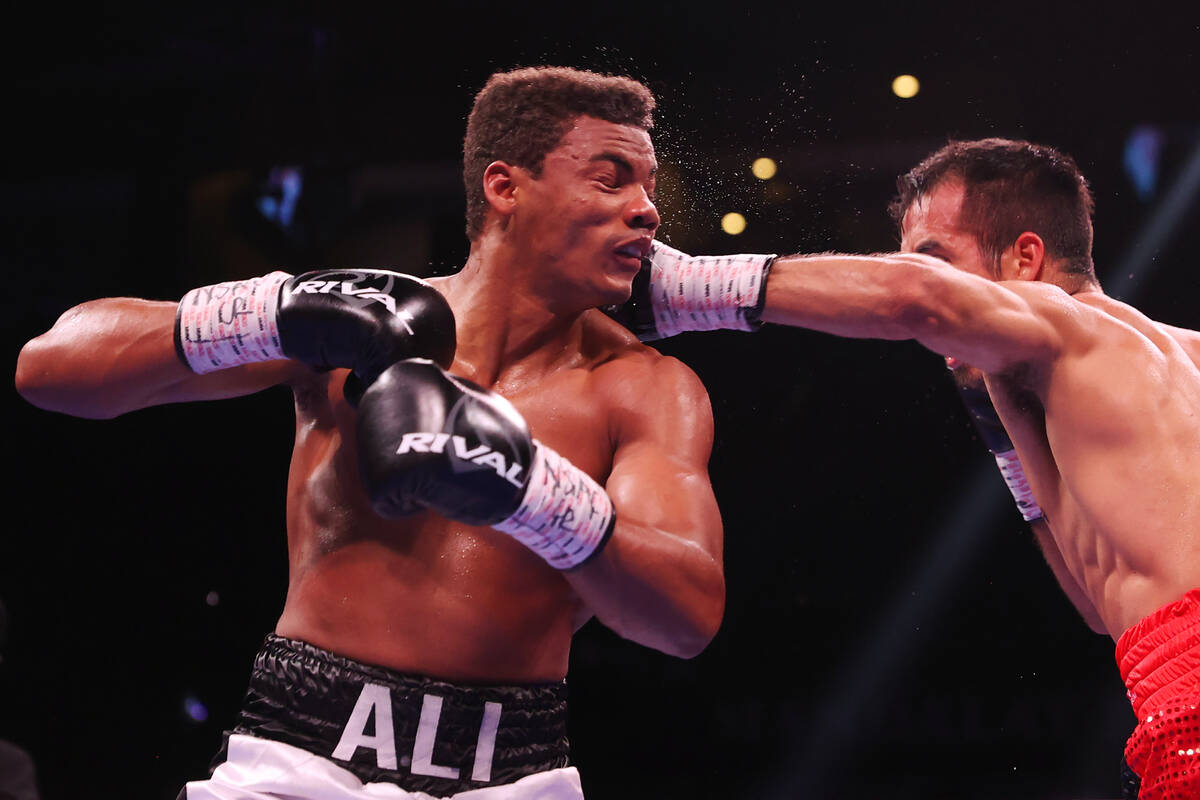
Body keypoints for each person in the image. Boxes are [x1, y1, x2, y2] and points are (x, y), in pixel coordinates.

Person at [14, 66, 726, 800]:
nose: (646, 210)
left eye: (648, 185)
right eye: (611, 179)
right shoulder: (351, 321)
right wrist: (274, 310)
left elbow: (687, 616)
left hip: (507, 776)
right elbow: (52, 367)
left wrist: (531, 490)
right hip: (294, 762)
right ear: (505, 187)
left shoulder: (646, 387)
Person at [610, 138, 1200, 800]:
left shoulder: (1069, 325)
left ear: (1025, 259)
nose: (927, 286)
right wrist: (1001, 419)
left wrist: (685, 289)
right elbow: (1099, 605)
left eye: (939, 260)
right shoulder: (1179, 360)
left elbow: (914, 300)